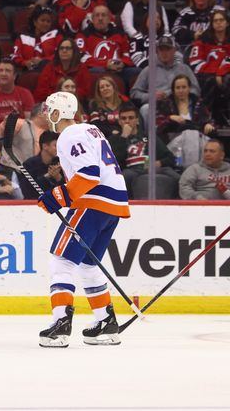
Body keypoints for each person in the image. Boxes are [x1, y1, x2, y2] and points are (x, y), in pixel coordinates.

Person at [35, 91, 130, 348]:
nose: (46, 114)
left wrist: (59, 195)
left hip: (93, 202)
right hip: (114, 203)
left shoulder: (69, 134)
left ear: (58, 113)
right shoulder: (91, 130)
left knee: (61, 259)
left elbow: (89, 174)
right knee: (88, 265)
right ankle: (106, 322)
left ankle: (61, 324)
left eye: (49, 110)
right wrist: (63, 193)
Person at [107, 103, 180, 199]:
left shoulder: (149, 137)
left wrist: (159, 162)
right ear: (119, 121)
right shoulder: (114, 139)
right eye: (124, 119)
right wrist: (124, 137)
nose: (127, 121)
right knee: (124, 177)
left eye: (131, 118)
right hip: (131, 170)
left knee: (176, 176)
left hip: (150, 167)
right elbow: (114, 163)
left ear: (137, 120)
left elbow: (170, 158)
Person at [130, 34, 200, 122]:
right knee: (146, 109)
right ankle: (150, 136)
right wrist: (151, 96)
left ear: (174, 51)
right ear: (157, 51)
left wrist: (179, 94)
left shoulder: (184, 69)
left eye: (168, 49)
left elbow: (196, 90)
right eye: (161, 50)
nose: (164, 53)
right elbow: (134, 93)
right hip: (157, 106)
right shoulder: (148, 70)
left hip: (180, 104)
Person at [0, 59, 35, 137]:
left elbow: (30, 121)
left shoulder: (25, 94)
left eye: (7, 71)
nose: (3, 74)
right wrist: (6, 140)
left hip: (22, 136)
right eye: (0, 71)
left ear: (14, 76)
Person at [19, 130, 63, 198]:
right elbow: (26, 190)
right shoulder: (29, 165)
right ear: (45, 146)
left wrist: (58, 178)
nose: (59, 148)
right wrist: (47, 176)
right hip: (33, 205)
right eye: (55, 145)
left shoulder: (61, 163)